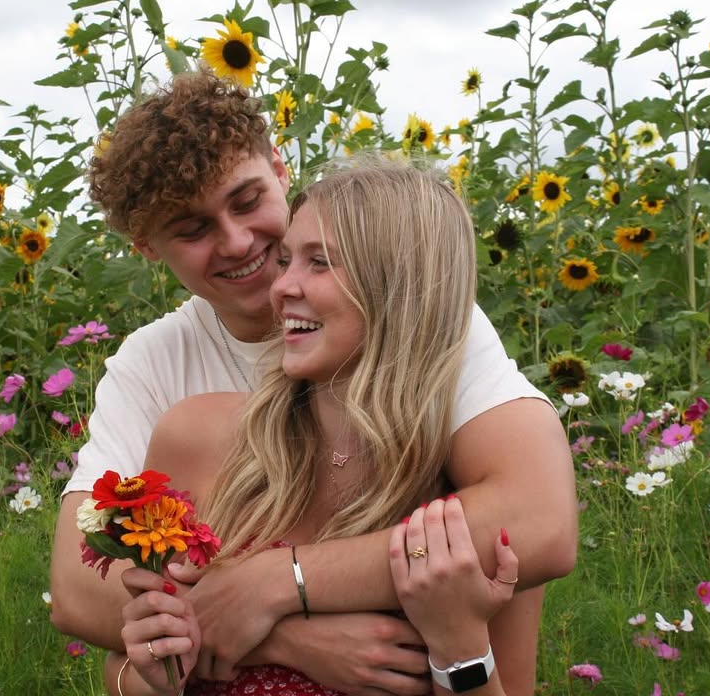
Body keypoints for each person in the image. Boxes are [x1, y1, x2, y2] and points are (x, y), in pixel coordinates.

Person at [48, 69, 576, 694]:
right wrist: (282, 638)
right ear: (146, 247)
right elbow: (82, 592)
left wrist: (281, 582)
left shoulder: (433, 327)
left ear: (280, 169)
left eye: (247, 201)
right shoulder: (160, 376)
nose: (238, 243)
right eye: (192, 230)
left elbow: (536, 523)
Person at [116, 160, 523, 696]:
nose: (281, 286)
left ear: (399, 286)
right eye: (287, 259)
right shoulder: (196, 438)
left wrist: (459, 645)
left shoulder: (467, 501)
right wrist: (157, 672)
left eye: (320, 262)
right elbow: (129, 671)